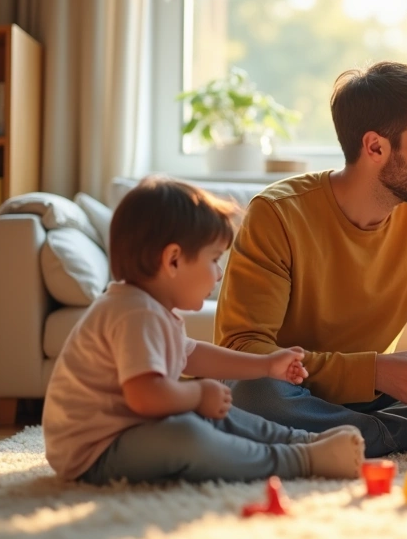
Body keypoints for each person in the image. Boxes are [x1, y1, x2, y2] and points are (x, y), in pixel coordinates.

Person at [217, 61, 407, 457]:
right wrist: (374, 371)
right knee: (252, 395)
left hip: (378, 400)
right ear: (375, 147)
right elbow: (244, 349)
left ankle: (371, 433)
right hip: (293, 395)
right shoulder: (278, 214)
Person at [43, 176, 365, 485]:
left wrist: (267, 365)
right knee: (189, 433)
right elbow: (145, 397)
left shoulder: (151, 310)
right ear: (173, 261)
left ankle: (305, 441)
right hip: (95, 451)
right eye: (213, 260)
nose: (220, 273)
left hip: (132, 429)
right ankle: (299, 460)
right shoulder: (134, 314)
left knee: (217, 410)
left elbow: (193, 355)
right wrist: (197, 396)